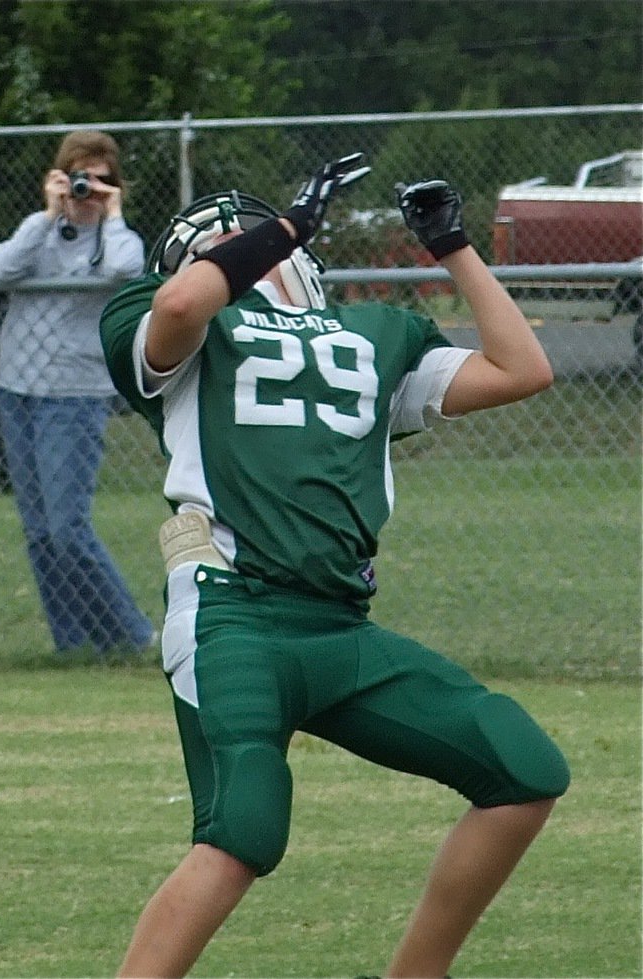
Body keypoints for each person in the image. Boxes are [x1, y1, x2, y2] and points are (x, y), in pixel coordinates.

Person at [98, 154, 570, 978]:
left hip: (338, 625)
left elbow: (522, 368)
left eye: (240, 238)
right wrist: (282, 228)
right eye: (215, 248)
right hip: (234, 613)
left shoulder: (376, 332)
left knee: (523, 766)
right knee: (244, 830)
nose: (235, 251)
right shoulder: (169, 316)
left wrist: (453, 246)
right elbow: (179, 303)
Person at [0, 129, 154, 656]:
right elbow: (2, 270)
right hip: (17, 388)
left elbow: (125, 269)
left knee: (67, 529)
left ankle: (132, 637)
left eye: (101, 181)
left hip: (75, 394)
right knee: (39, 533)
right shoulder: (40, 229)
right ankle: (73, 646)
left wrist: (111, 213)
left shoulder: (118, 238)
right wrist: (49, 212)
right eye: (81, 178)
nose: (89, 189)